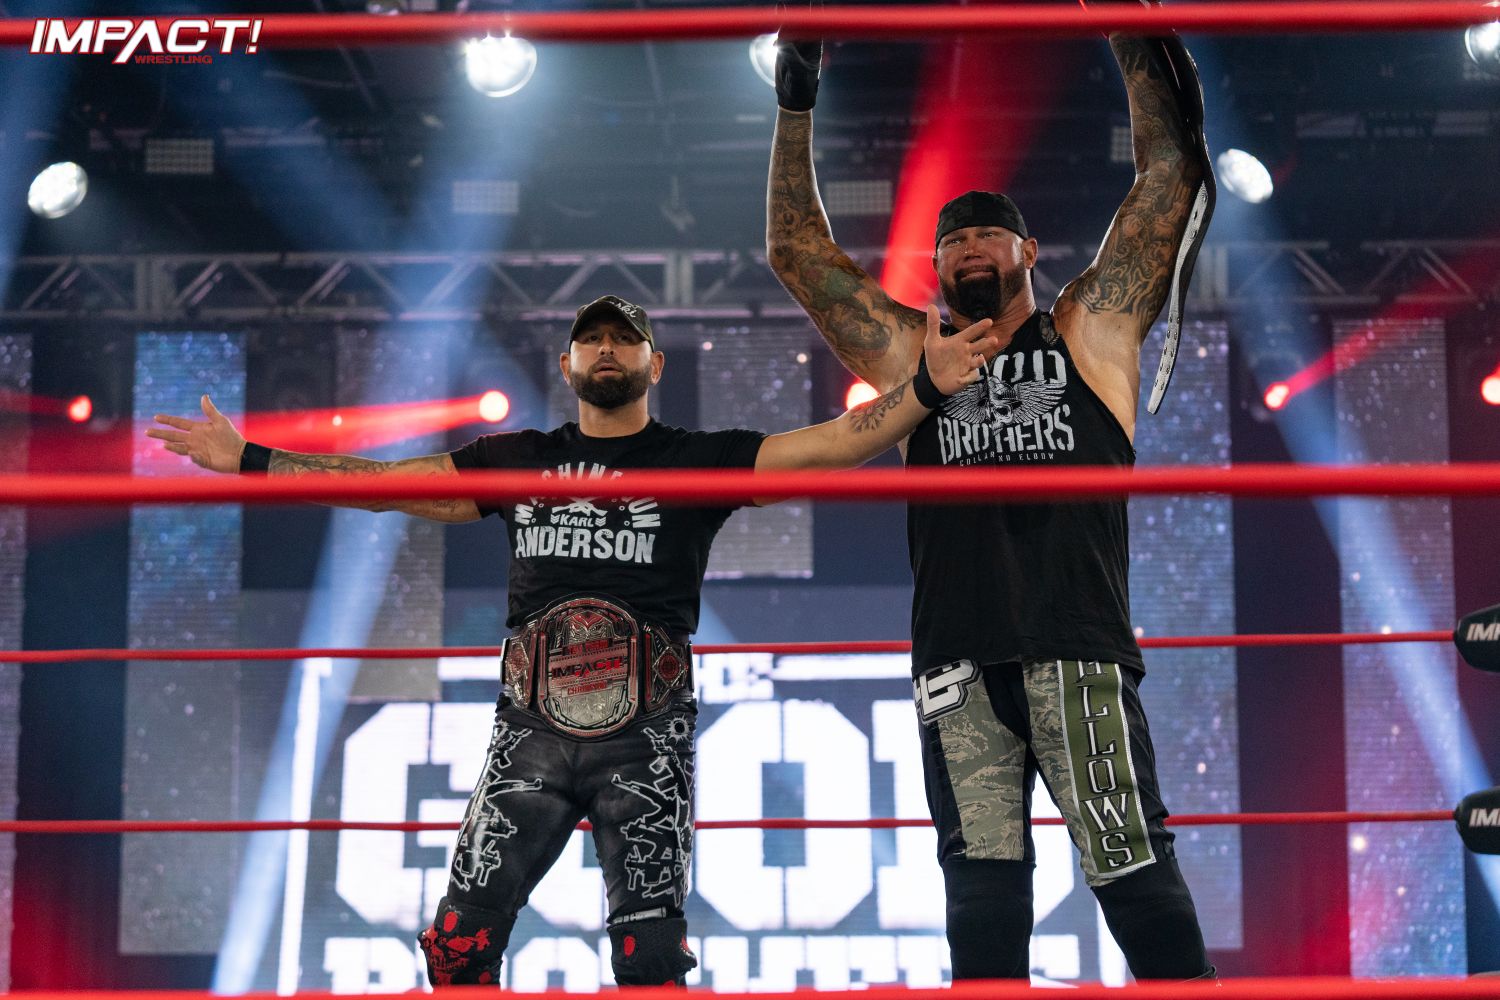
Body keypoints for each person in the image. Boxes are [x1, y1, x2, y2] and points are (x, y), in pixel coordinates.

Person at [147, 293, 995, 988]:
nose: (607, 349)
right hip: (529, 736)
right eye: (592, 339)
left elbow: (831, 444)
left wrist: (925, 386)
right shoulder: (518, 458)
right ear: (566, 364)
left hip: (647, 740)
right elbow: (386, 485)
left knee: (650, 960)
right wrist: (251, 459)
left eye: (624, 339)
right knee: (457, 949)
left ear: (655, 365)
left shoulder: (694, 460)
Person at [764, 18, 1218, 985]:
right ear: (937, 267)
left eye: (988, 233)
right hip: (957, 659)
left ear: (1028, 249)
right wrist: (795, 98)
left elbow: (1169, 178)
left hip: (1076, 647)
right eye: (953, 239)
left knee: (1135, 873)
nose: (970, 247)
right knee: (980, 896)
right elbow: (797, 254)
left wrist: (1126, 29)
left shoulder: (1089, 332)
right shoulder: (913, 357)